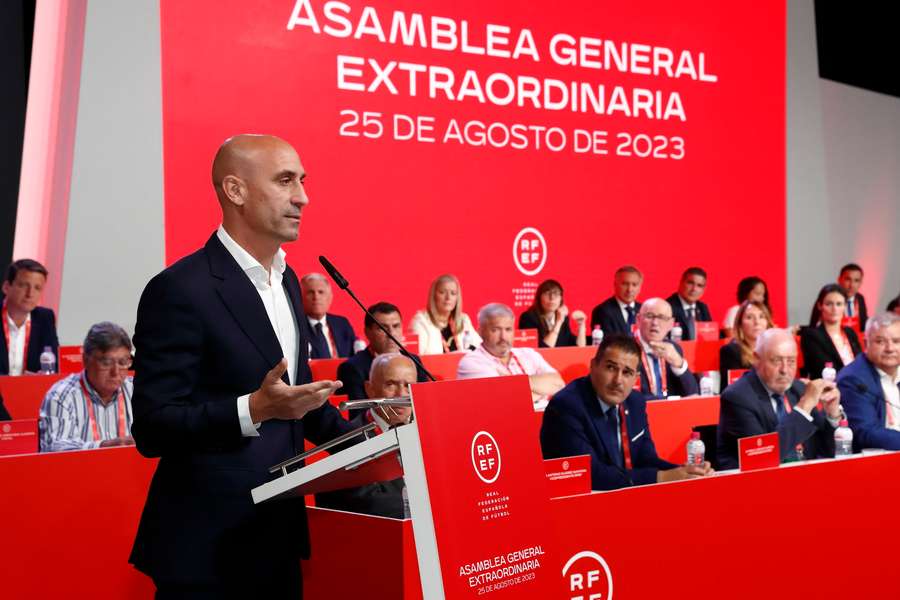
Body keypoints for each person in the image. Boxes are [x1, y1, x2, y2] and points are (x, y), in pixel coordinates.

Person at [128, 134, 355, 598]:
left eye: (303, 181)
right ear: (235, 191)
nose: (303, 196)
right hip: (207, 549)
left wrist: (377, 433)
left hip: (278, 536)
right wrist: (252, 409)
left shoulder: (288, 280)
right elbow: (153, 427)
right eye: (285, 180)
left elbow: (296, 397)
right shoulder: (180, 290)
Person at [540, 334, 713, 490]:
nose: (618, 380)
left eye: (627, 372)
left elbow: (646, 459)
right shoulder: (567, 406)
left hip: (623, 498)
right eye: (610, 368)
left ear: (636, 378)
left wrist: (686, 472)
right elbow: (591, 475)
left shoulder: (635, 402)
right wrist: (663, 477)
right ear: (593, 366)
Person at [716, 329, 843, 470]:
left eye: (791, 361)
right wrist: (804, 406)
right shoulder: (737, 397)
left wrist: (832, 415)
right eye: (776, 360)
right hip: (757, 485)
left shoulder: (799, 389)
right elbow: (762, 458)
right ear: (756, 359)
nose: (784, 370)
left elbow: (828, 451)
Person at [317, 353, 414, 518]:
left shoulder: (427, 430)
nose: (401, 394)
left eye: (408, 385)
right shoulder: (351, 438)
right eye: (391, 384)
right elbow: (370, 503)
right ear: (370, 389)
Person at [39, 322, 135, 452]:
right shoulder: (61, 396)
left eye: (123, 362)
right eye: (106, 362)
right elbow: (54, 449)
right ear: (85, 360)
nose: (116, 372)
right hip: (78, 471)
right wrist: (105, 447)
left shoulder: (136, 390)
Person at [457, 303, 564, 407]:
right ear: (480, 331)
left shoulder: (528, 354)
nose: (503, 337)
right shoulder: (471, 362)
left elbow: (559, 384)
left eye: (508, 329)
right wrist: (541, 390)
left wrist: (518, 382)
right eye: (495, 330)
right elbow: (502, 401)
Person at [335, 302, 428, 417]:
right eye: (382, 328)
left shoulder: (414, 361)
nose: (391, 333)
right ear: (367, 332)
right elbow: (358, 414)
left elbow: (426, 403)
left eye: (396, 326)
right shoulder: (352, 368)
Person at [836, 312, 900, 451]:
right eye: (880, 341)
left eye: (896, 341)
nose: (890, 349)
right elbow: (866, 433)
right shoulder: (853, 380)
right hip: (878, 460)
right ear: (866, 344)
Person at [0, 259, 59, 375]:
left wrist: (45, 375)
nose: (30, 294)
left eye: (37, 288)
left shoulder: (45, 318)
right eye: (23, 286)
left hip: (30, 391)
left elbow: (55, 364)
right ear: (6, 287)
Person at [634, 298, 698, 399]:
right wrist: (665, 402)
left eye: (662, 317)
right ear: (638, 320)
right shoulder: (625, 349)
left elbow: (692, 392)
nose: (655, 322)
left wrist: (678, 364)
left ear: (671, 324)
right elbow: (631, 395)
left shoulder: (674, 348)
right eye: (649, 316)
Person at [800, 283, 862, 379]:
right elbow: (821, 369)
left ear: (845, 306)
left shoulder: (850, 333)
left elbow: (861, 363)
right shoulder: (811, 335)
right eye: (829, 304)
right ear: (820, 306)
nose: (834, 309)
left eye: (839, 304)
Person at [409, 274, 480, 354]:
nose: (448, 298)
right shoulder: (421, 321)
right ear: (434, 296)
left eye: (453, 293)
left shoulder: (463, 320)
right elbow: (416, 359)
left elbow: (479, 347)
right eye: (442, 292)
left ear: (457, 298)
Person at [719, 300, 774, 390]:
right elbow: (733, 390)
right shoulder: (731, 351)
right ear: (740, 325)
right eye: (749, 317)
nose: (757, 322)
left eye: (761, 317)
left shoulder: (774, 350)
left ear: (767, 323)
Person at [301, 272, 357, 358]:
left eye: (321, 292)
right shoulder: (296, 325)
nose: (316, 297)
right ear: (300, 297)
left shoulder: (342, 324)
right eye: (310, 292)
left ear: (330, 297)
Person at [518, 279, 587, 347]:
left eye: (556, 294)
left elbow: (579, 347)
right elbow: (543, 349)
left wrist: (581, 326)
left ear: (561, 299)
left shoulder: (563, 318)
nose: (552, 298)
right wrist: (558, 323)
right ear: (539, 298)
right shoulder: (528, 318)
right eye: (547, 293)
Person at [590, 266, 642, 336]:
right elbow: (606, 343)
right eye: (625, 284)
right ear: (615, 284)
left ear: (639, 287)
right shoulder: (602, 311)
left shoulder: (644, 311)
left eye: (634, 285)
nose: (629, 290)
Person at [666, 267, 713, 341]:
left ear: (704, 289)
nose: (694, 289)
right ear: (681, 282)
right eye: (690, 283)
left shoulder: (703, 308)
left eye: (699, 285)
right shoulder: (667, 307)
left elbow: (710, 337)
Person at [837, 263, 868, 330]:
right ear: (839, 280)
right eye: (848, 279)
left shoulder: (860, 298)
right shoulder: (831, 299)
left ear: (860, 283)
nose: (852, 285)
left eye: (856, 281)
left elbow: (863, 324)